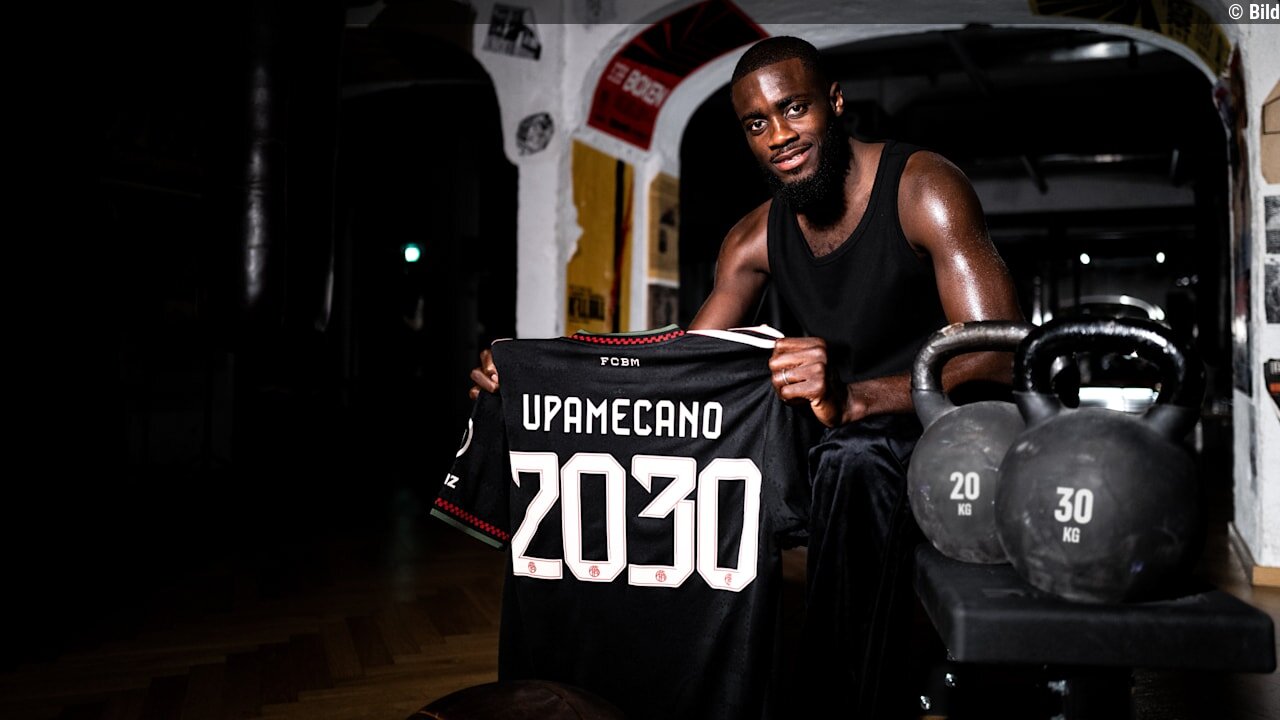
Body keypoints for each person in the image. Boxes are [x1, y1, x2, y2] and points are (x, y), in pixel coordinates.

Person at [472, 36, 1023, 719]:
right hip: (837, 432)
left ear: (835, 103)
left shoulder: (922, 189)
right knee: (707, 443)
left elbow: (995, 351)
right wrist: (535, 377)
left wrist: (856, 397)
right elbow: (680, 370)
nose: (779, 136)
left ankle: (835, 704)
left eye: (794, 109)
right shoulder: (753, 237)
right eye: (757, 123)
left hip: (948, 434)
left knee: (854, 458)